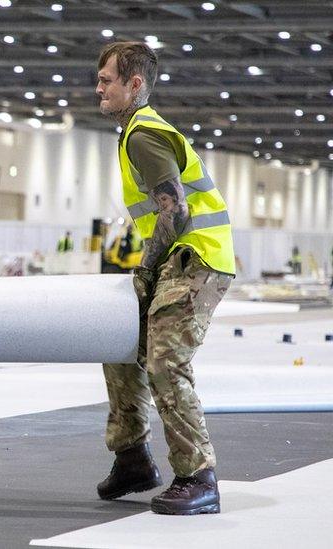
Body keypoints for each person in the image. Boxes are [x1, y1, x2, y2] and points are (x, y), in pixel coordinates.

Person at [95, 41, 236, 515]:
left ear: (134, 84)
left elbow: (175, 211)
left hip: (197, 258)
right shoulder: (134, 131)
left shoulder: (143, 135)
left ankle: (199, 478)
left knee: (165, 361)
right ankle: (132, 457)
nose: (98, 88)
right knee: (119, 348)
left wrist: (148, 269)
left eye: (106, 80)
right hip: (180, 257)